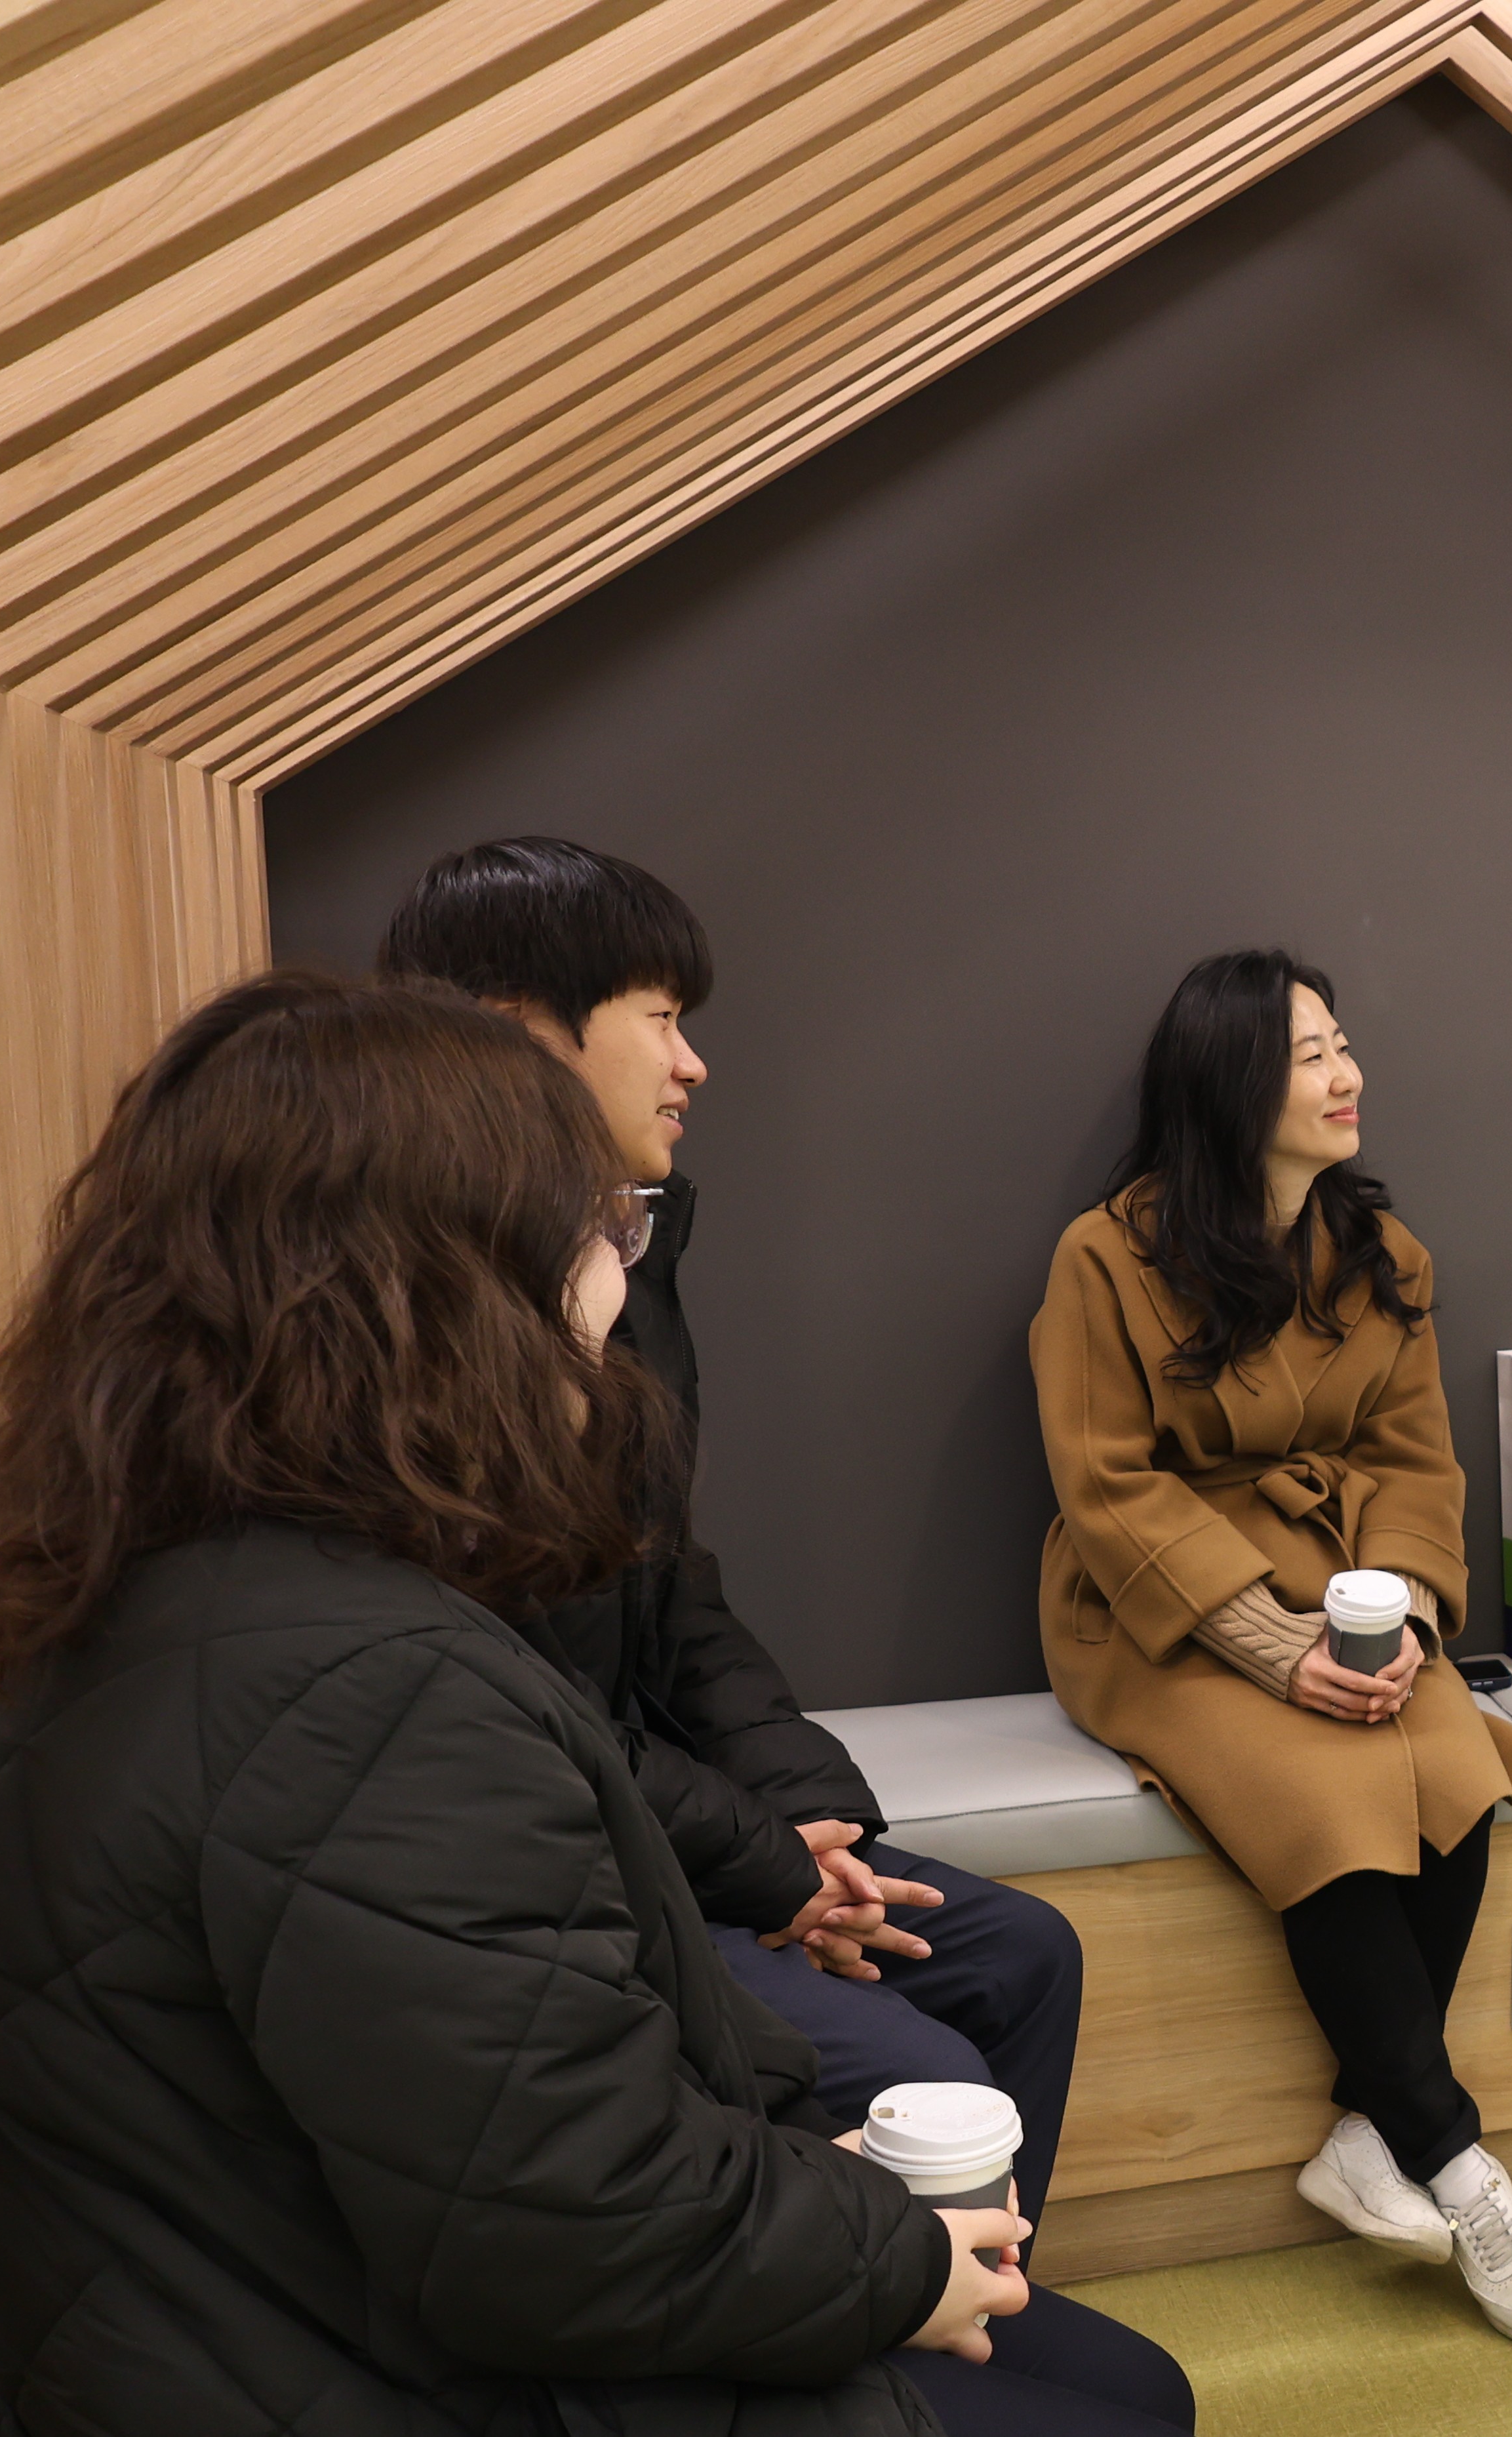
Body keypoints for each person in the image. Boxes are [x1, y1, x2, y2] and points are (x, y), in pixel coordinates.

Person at [0, 973, 1189, 2436]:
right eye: (604, 1230)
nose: (619, 1284)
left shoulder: (170, 1596)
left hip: (269, 2312)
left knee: (1115, 2370)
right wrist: (886, 2251)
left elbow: (513, 2124)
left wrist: (817, 2186)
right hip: (364, 2361)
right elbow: (572, 2227)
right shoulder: (373, 1692)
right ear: (454, 1287)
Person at [377, 840, 1085, 2248]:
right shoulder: (421, 1316)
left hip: (669, 1822)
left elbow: (674, 1590)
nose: (693, 1064)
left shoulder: (626, 1252)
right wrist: (769, 1865)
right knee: (921, 2071)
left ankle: (981, 2323)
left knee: (1018, 1952)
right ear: (520, 1033)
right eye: (660, 1018)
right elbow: (515, 1711)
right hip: (559, 1864)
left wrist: (825, 1833)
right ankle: (887, 2321)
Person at [1029, 948, 1512, 2344]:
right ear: (1230, 1083)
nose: (1348, 1076)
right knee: (1324, 1795)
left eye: (1343, 1045)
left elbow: (1412, 1456)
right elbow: (1107, 1484)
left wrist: (1404, 1618)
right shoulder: (1105, 1256)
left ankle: (1364, 2135)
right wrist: (1273, 1650)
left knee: (1457, 1765)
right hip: (1154, 1608)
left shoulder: (1383, 1255)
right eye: (1312, 1054)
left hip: (1348, 1581)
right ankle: (1458, 2160)